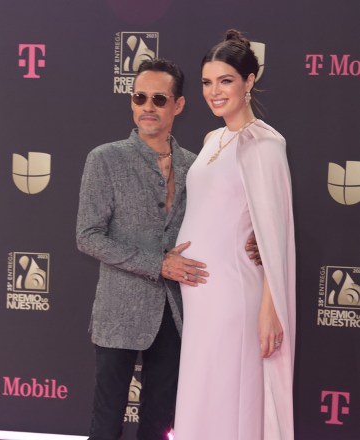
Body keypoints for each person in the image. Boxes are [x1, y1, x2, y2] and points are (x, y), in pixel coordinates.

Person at [77, 58, 260, 440]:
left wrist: (254, 240)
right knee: (107, 418)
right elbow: (88, 236)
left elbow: (224, 219)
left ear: (178, 105)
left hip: (178, 315)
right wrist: (157, 264)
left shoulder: (197, 166)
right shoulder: (105, 160)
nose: (147, 107)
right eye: (140, 97)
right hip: (119, 312)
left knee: (159, 420)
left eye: (159, 99)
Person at [173, 30, 296, 440]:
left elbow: (274, 234)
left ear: (249, 81)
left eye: (225, 80)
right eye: (207, 82)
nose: (214, 91)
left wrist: (270, 309)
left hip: (234, 297)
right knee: (204, 394)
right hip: (201, 297)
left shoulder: (263, 143)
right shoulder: (212, 139)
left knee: (231, 396)